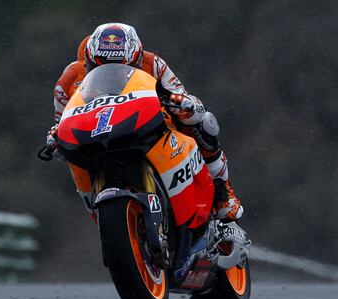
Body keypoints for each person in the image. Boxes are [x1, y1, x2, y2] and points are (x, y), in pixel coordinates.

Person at [48, 23, 243, 223]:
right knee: (65, 153)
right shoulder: (69, 79)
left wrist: (181, 102)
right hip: (96, 134)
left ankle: (223, 191)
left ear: (137, 58)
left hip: (145, 121)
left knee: (201, 121)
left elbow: (182, 96)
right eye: (100, 67)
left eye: (123, 67)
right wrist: (56, 135)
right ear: (89, 61)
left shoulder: (154, 64)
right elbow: (62, 120)